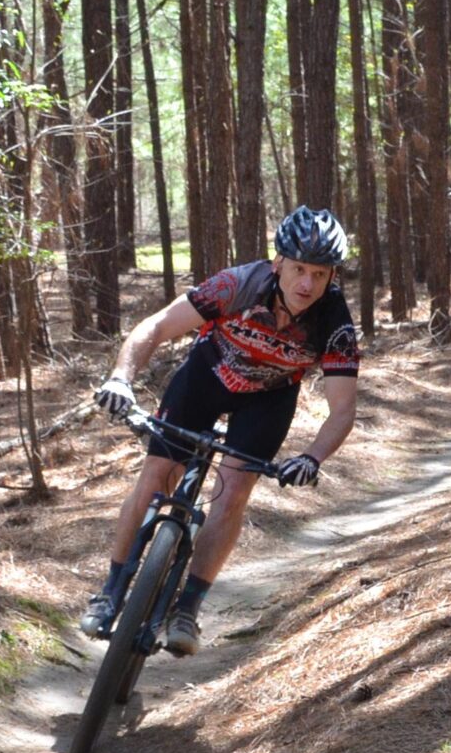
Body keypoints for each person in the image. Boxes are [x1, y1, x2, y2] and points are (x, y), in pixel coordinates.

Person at [82, 206, 360, 656]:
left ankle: (188, 608)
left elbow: (343, 409)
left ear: (332, 278)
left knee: (233, 491)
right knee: (156, 475)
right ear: (279, 264)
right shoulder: (238, 285)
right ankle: (111, 591)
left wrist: (312, 458)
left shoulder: (335, 325)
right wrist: (121, 378)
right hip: (207, 376)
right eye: (299, 270)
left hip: (268, 399)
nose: (307, 284)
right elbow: (156, 327)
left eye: (320, 274)